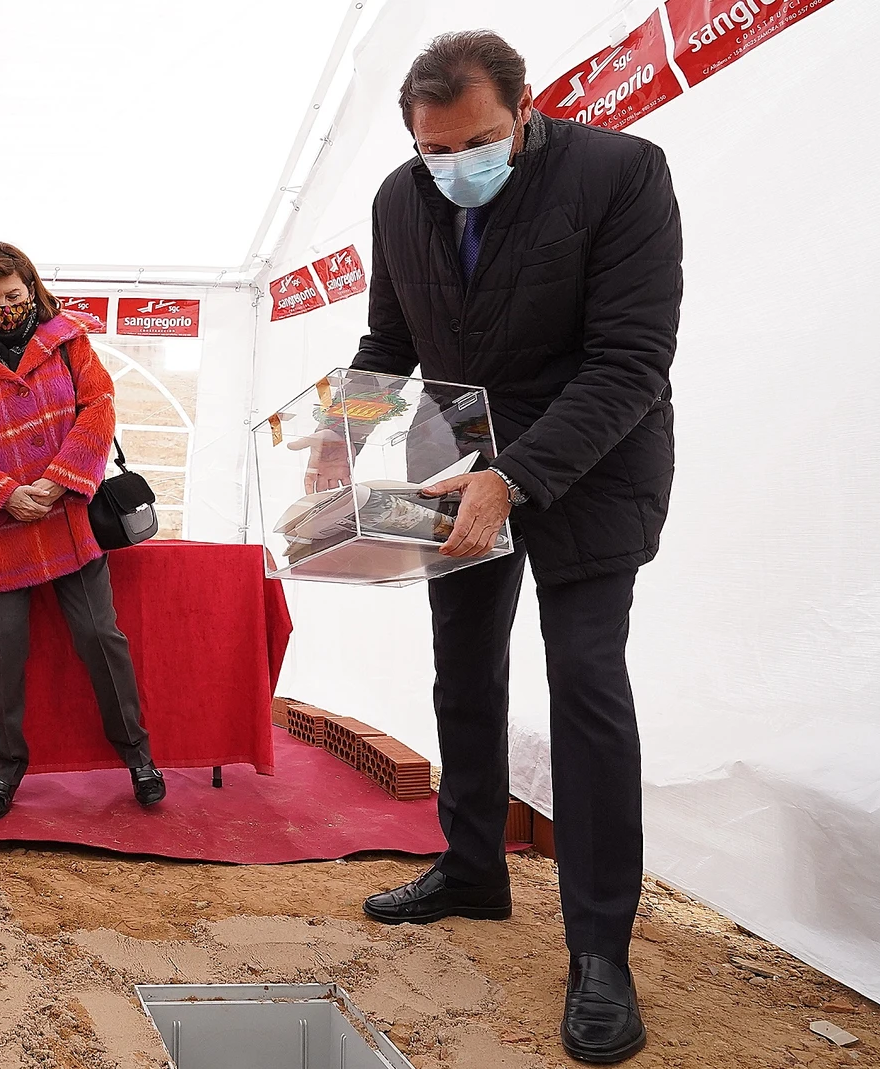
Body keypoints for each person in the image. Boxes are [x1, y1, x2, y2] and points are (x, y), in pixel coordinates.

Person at [335, 31, 681, 1063]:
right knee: (463, 676)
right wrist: (328, 443)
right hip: (460, 462)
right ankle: (472, 868)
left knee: (583, 683)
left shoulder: (621, 174)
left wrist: (514, 476)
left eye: (478, 142)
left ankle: (599, 949)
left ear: (525, 109)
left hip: (590, 466)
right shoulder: (402, 199)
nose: (456, 169)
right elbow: (389, 345)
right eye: (436, 150)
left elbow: (631, 362)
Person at [0, 242, 164, 821]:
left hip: (67, 519)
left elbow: (99, 406)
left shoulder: (69, 341)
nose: (6, 306)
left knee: (100, 639)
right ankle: (5, 771)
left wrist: (59, 483)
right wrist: (7, 494)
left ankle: (139, 757)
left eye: (15, 295)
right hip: (0, 531)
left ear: (32, 289)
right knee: (3, 653)